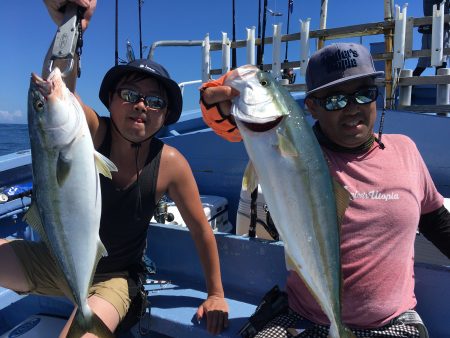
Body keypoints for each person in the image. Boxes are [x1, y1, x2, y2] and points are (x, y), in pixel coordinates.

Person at [0, 0, 229, 336]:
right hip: (59, 262)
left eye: (154, 101)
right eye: (130, 93)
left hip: (116, 278)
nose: (140, 105)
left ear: (165, 116)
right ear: (109, 101)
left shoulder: (170, 164)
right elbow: (59, 84)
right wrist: (70, 26)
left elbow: (201, 230)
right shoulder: (91, 131)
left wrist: (217, 294)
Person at [200, 42, 450, 337]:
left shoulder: (406, 150)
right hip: (303, 316)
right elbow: (240, 130)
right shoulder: (301, 152)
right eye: (334, 100)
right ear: (312, 107)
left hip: (394, 322)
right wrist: (218, 109)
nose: (353, 107)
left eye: (364, 93)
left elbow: (436, 221)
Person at [413, 0, 450, 76]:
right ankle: (439, 86)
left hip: (428, 30)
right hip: (441, 29)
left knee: (423, 62)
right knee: (441, 59)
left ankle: (408, 84)